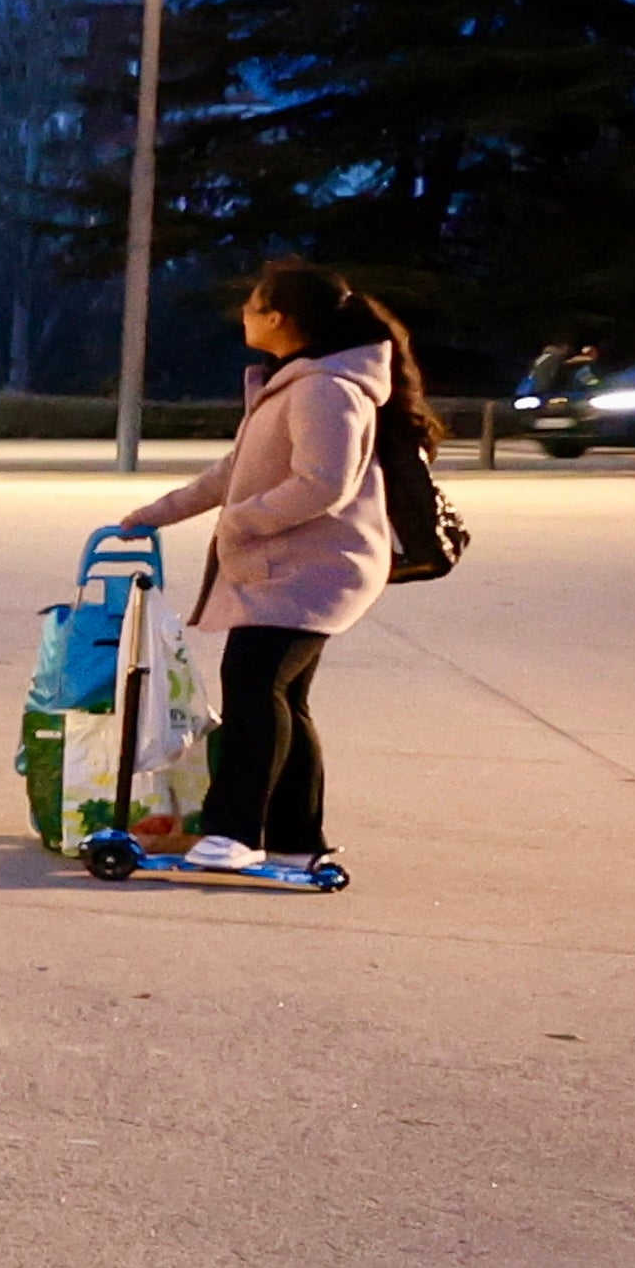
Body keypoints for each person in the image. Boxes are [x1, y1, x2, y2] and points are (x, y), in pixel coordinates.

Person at [118, 257, 420, 875]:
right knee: (283, 697)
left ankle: (235, 832)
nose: (245, 314)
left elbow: (322, 484)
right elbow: (233, 472)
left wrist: (241, 521)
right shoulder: (295, 381)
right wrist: (156, 513)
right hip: (301, 569)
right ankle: (295, 836)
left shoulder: (323, 389)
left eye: (253, 304)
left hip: (311, 572)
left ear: (278, 317)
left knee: (257, 692)